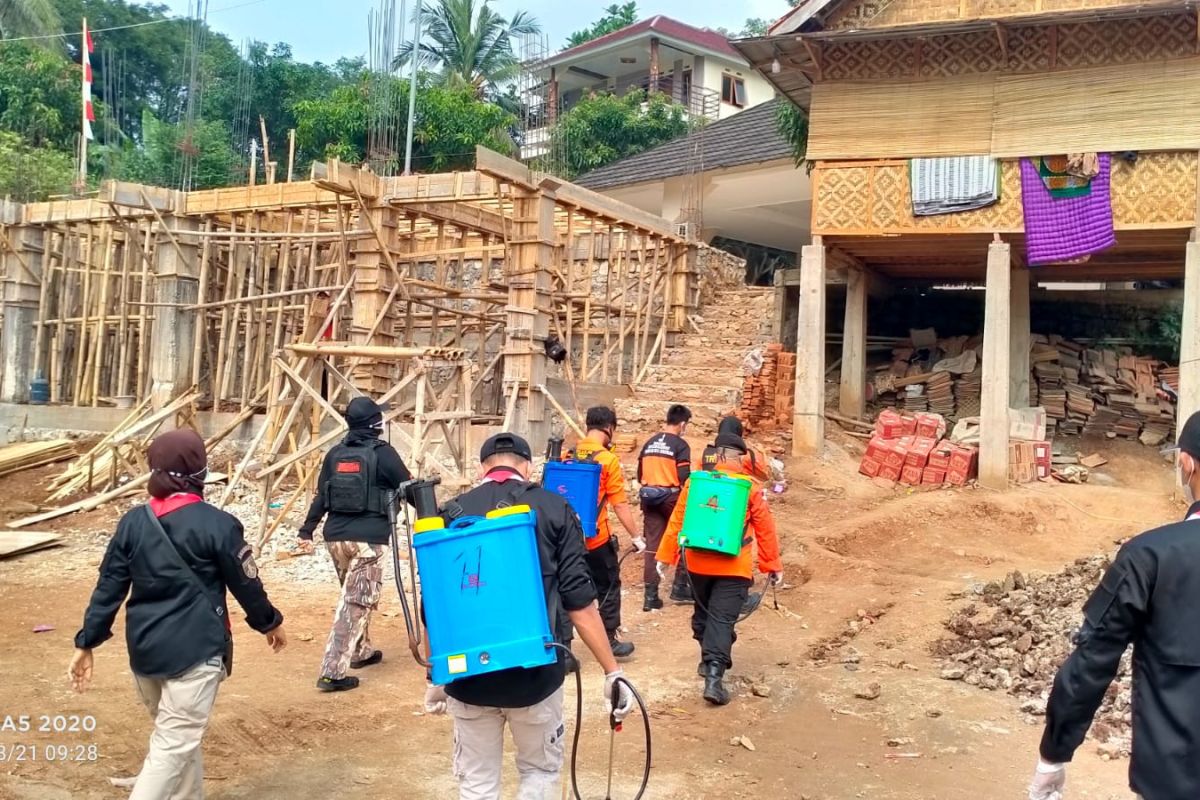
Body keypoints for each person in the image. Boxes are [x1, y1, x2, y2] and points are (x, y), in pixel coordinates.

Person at [69, 429, 287, 799]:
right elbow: (246, 583)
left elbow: (109, 588)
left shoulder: (132, 524)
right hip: (196, 652)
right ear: (200, 470)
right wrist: (270, 622)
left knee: (178, 739)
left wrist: (86, 642)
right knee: (173, 744)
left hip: (146, 652)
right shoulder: (218, 524)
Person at [424, 432, 636, 800]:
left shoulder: (447, 514)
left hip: (469, 680)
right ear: (528, 466)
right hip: (536, 677)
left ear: (482, 469)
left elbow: (434, 606)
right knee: (539, 773)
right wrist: (612, 671)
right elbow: (579, 601)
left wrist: (434, 675)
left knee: (476, 784)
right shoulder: (556, 508)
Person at [1028, 410, 1200, 800]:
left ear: (1186, 464)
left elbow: (1093, 659)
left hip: (1172, 780)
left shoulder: (1148, 556)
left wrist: (1052, 756)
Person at [656, 431, 782, 706]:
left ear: (718, 455)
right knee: (722, 620)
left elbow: (678, 520)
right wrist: (772, 566)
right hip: (733, 568)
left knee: (703, 616)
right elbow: (765, 530)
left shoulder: (696, 483)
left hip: (696, 564)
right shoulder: (750, 488)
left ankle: (710, 658)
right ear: (740, 458)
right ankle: (714, 677)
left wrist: (665, 557)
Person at [298, 395, 411, 692]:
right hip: (369, 542)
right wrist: (436, 519)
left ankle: (360, 651)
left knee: (354, 598)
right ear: (376, 423)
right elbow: (409, 489)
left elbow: (322, 495)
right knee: (356, 602)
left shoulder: (335, 454)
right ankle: (332, 673)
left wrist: (306, 530)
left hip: (336, 539)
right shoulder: (384, 454)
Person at [568, 406, 645, 659]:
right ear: (609, 428)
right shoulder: (608, 460)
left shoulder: (568, 453)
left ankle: (564, 650)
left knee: (565, 587)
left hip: (567, 539)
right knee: (608, 586)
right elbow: (620, 504)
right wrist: (635, 536)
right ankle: (609, 639)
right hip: (596, 539)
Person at [636, 403, 692, 611]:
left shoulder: (649, 443)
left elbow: (639, 474)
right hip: (671, 499)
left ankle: (650, 598)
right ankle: (680, 586)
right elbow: (684, 477)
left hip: (649, 497)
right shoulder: (680, 445)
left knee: (652, 544)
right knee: (687, 536)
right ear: (683, 424)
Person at [701, 416, 769, 481]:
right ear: (739, 431)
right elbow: (766, 476)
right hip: (737, 489)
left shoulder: (706, 452)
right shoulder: (746, 456)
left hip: (709, 488)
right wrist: (763, 453)